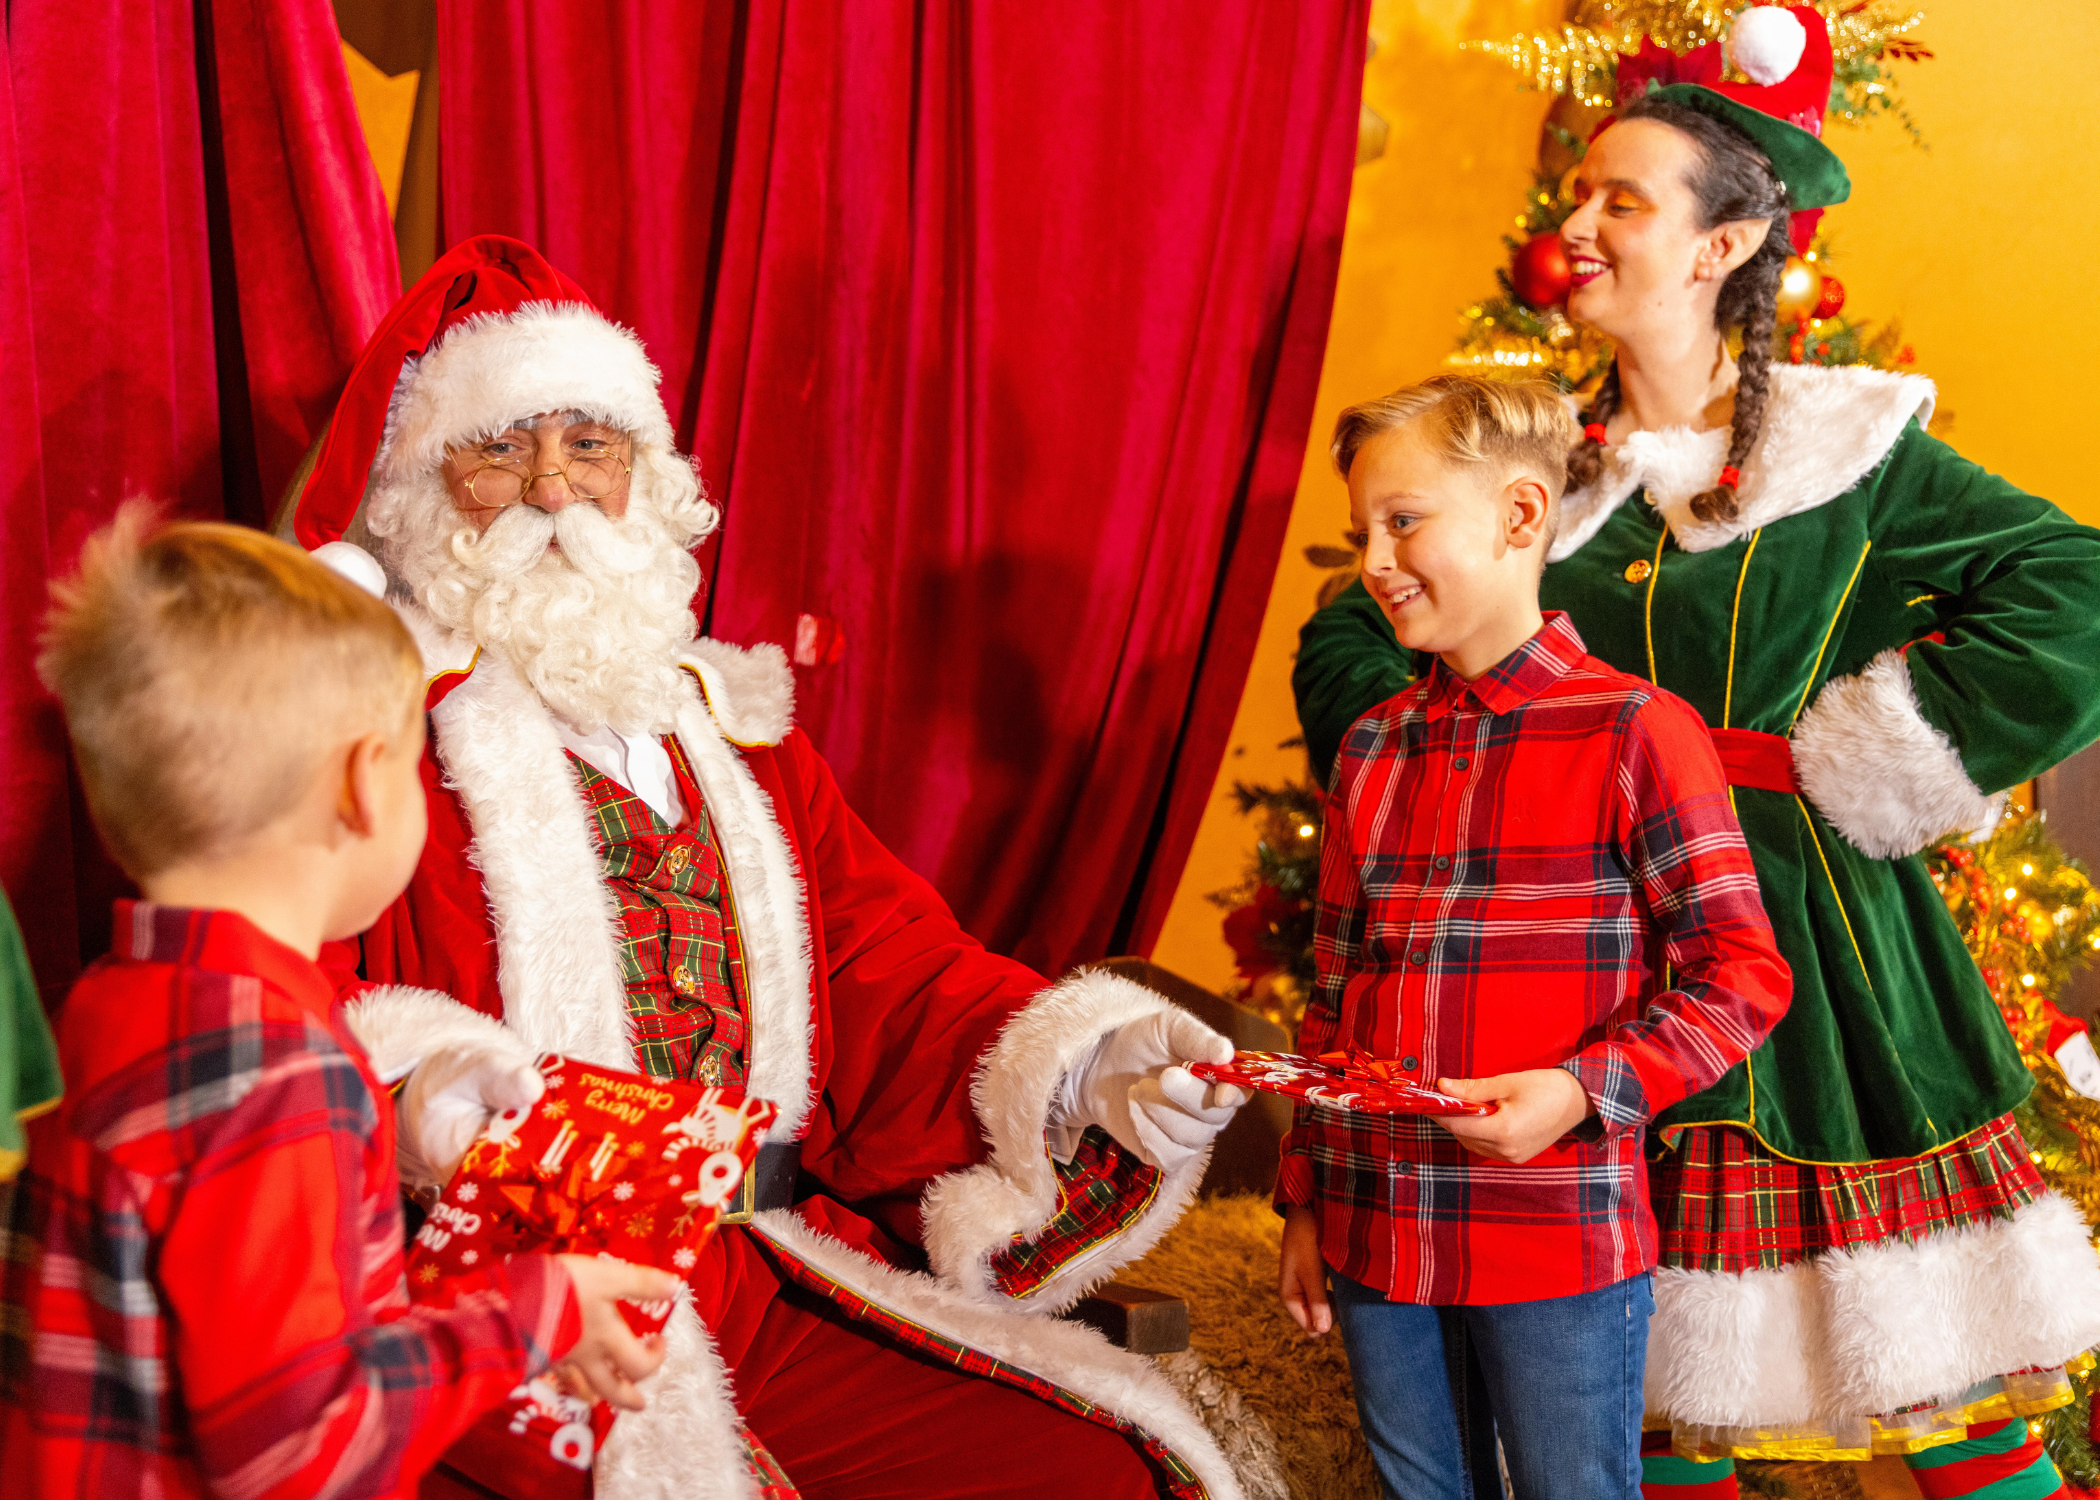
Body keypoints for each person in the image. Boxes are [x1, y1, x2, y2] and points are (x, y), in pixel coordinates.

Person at [283, 234, 1249, 1500]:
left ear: (649, 477)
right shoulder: (370, 730)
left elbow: (889, 965)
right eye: (501, 451)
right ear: (418, 491)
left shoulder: (731, 730)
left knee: (1099, 1477)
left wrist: (1084, 1067)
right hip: (522, 1300)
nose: (556, 492)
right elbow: (283, 994)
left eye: (591, 445)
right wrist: (422, 1090)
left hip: (768, 1270)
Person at [1291, 9, 2100, 1496]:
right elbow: (1355, 626)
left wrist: (1882, 749)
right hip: (1594, 966)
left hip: (1808, 954)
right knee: (1643, 1386)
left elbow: (2077, 590)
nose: (1576, 228)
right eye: (1578, 197)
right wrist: (1464, 771)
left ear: (1724, 248)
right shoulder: (1542, 472)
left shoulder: (1849, 451)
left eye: (1621, 201)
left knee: (1935, 1382)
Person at [0, 511, 679, 1498]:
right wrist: (529, 1312)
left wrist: (500, 1326)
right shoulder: (281, 1072)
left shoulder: (116, 1000)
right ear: (366, 784)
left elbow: (263, 1337)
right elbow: (294, 1455)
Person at [1271, 375, 1792, 1500]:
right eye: (1363, 529)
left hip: (1554, 1236)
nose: (1374, 558)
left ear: (1519, 518)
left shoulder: (1638, 733)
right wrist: (1307, 1195)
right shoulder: (1371, 747)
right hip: (1377, 1234)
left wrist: (1578, 1091)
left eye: (1404, 521)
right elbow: (1334, 988)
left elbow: (1740, 975)